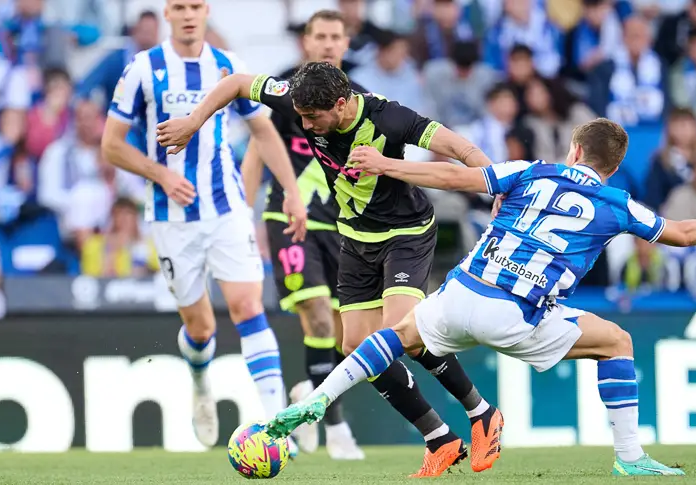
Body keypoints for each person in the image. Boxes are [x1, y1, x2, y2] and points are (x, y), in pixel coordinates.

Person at [263, 118, 696, 476]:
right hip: (515, 314)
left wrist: (390, 165)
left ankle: (320, 398)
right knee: (616, 342)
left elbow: (457, 177)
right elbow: (683, 232)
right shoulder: (617, 204)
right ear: (612, 165)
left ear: (575, 151)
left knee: (393, 336)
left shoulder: (532, 171)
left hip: (461, 292)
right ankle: (630, 458)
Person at [156, 61, 503, 477]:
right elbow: (235, 83)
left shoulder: (391, 118)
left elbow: (462, 149)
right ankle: (438, 437)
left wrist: (495, 185)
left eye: (312, 118)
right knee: (357, 344)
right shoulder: (300, 102)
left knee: (401, 337)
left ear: (340, 104)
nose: (304, 124)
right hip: (355, 238)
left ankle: (482, 413)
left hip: (406, 234)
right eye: (300, 115)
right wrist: (194, 122)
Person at [100, 0, 307, 452]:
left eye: (196, 5)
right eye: (180, 6)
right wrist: (162, 175)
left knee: (248, 306)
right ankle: (200, 381)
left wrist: (291, 190)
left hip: (227, 206)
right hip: (172, 217)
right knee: (200, 329)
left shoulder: (228, 66)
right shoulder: (143, 68)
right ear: (167, 14)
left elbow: (264, 131)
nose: (189, 13)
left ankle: (277, 426)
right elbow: (111, 146)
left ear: (207, 11)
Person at [239, 9, 366, 460]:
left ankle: (310, 396)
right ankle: (335, 427)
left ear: (346, 44)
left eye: (337, 37)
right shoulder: (282, 92)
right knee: (314, 311)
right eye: (321, 36)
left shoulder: (361, 101)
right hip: (287, 218)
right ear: (306, 43)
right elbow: (257, 151)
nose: (329, 44)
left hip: (343, 226)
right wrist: (243, 215)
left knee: (340, 330)